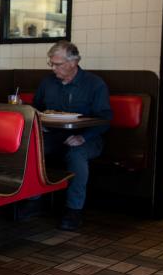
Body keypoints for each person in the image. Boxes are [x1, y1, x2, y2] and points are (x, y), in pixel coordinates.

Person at [33, 41, 112, 230]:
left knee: (76, 154)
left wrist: (83, 137)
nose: (53, 69)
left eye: (57, 64)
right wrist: (40, 125)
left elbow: (106, 119)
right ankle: (32, 200)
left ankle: (73, 210)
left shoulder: (94, 84)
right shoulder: (47, 82)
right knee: (33, 148)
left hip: (88, 137)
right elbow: (36, 109)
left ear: (74, 62)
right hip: (54, 135)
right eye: (51, 63)